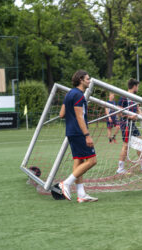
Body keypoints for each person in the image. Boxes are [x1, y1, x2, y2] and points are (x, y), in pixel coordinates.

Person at [59, 70, 98, 203]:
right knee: (92, 160)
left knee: (79, 161)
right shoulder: (79, 96)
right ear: (81, 80)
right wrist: (87, 135)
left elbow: (61, 114)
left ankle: (81, 194)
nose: (89, 81)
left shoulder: (69, 93)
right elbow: (79, 116)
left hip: (71, 132)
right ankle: (66, 183)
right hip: (79, 133)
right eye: (87, 79)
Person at [116, 79, 142, 174]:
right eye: (138, 86)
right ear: (134, 86)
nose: (138, 88)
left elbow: (137, 109)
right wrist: (129, 116)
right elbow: (119, 113)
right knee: (126, 145)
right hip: (126, 124)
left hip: (133, 124)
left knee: (139, 143)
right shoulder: (124, 97)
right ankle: (120, 168)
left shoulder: (134, 98)